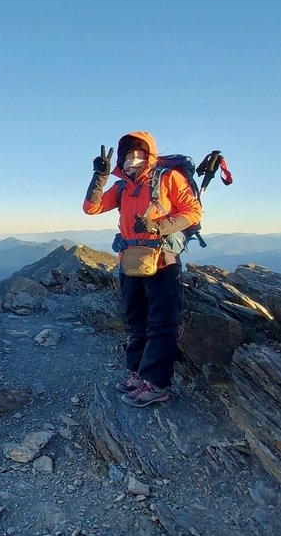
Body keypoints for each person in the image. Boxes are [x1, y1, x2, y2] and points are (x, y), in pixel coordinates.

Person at [83, 131, 202, 407]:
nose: (132, 160)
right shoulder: (122, 187)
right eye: (127, 156)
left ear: (149, 157)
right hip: (130, 261)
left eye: (139, 154)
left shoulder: (168, 178)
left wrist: (158, 226)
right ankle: (138, 373)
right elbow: (92, 208)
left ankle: (156, 384)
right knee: (136, 321)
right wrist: (99, 177)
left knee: (162, 323)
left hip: (162, 260)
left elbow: (192, 212)